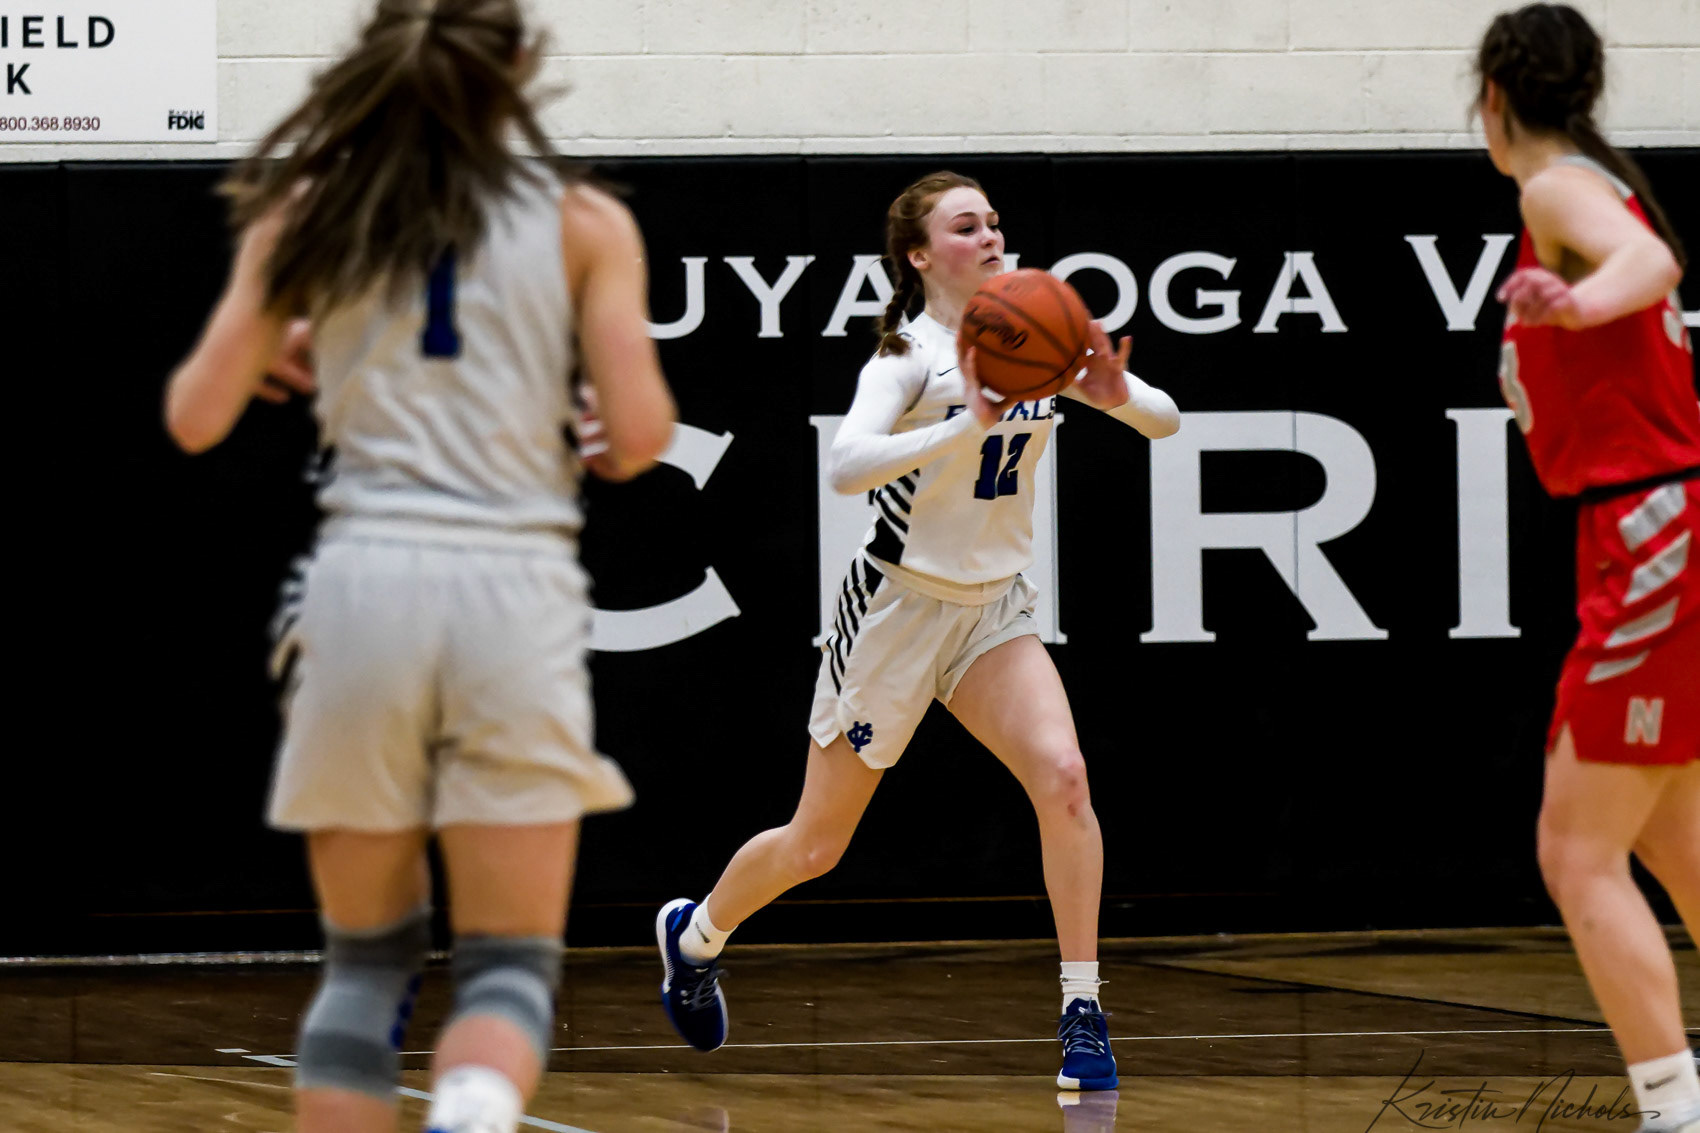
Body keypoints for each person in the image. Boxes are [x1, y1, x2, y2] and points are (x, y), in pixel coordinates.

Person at [163, 2, 676, 1131]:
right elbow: (640, 434)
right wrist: (599, 422)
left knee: (363, 963)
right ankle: (474, 1106)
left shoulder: (311, 210)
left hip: (364, 586)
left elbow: (195, 414)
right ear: (518, 68)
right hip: (513, 589)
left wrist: (279, 337)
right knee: (506, 964)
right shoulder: (583, 220)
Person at [653, 170, 1180, 1091]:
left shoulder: (1039, 334)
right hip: (895, 611)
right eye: (966, 226)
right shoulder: (905, 356)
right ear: (919, 254)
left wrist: (1112, 389)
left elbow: (1165, 420)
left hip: (994, 609)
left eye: (995, 222)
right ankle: (695, 937)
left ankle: (1082, 1010)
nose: (991, 236)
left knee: (1065, 779)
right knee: (816, 845)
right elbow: (847, 465)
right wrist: (964, 420)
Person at [1478, 7, 1700, 1132]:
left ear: (1490, 98)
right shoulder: (1586, 182)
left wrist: (1579, 300)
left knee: (1573, 850)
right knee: (1669, 834)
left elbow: (1652, 262)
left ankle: (1671, 1106)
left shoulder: (1556, 188)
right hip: (1648, 526)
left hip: (1650, 526)